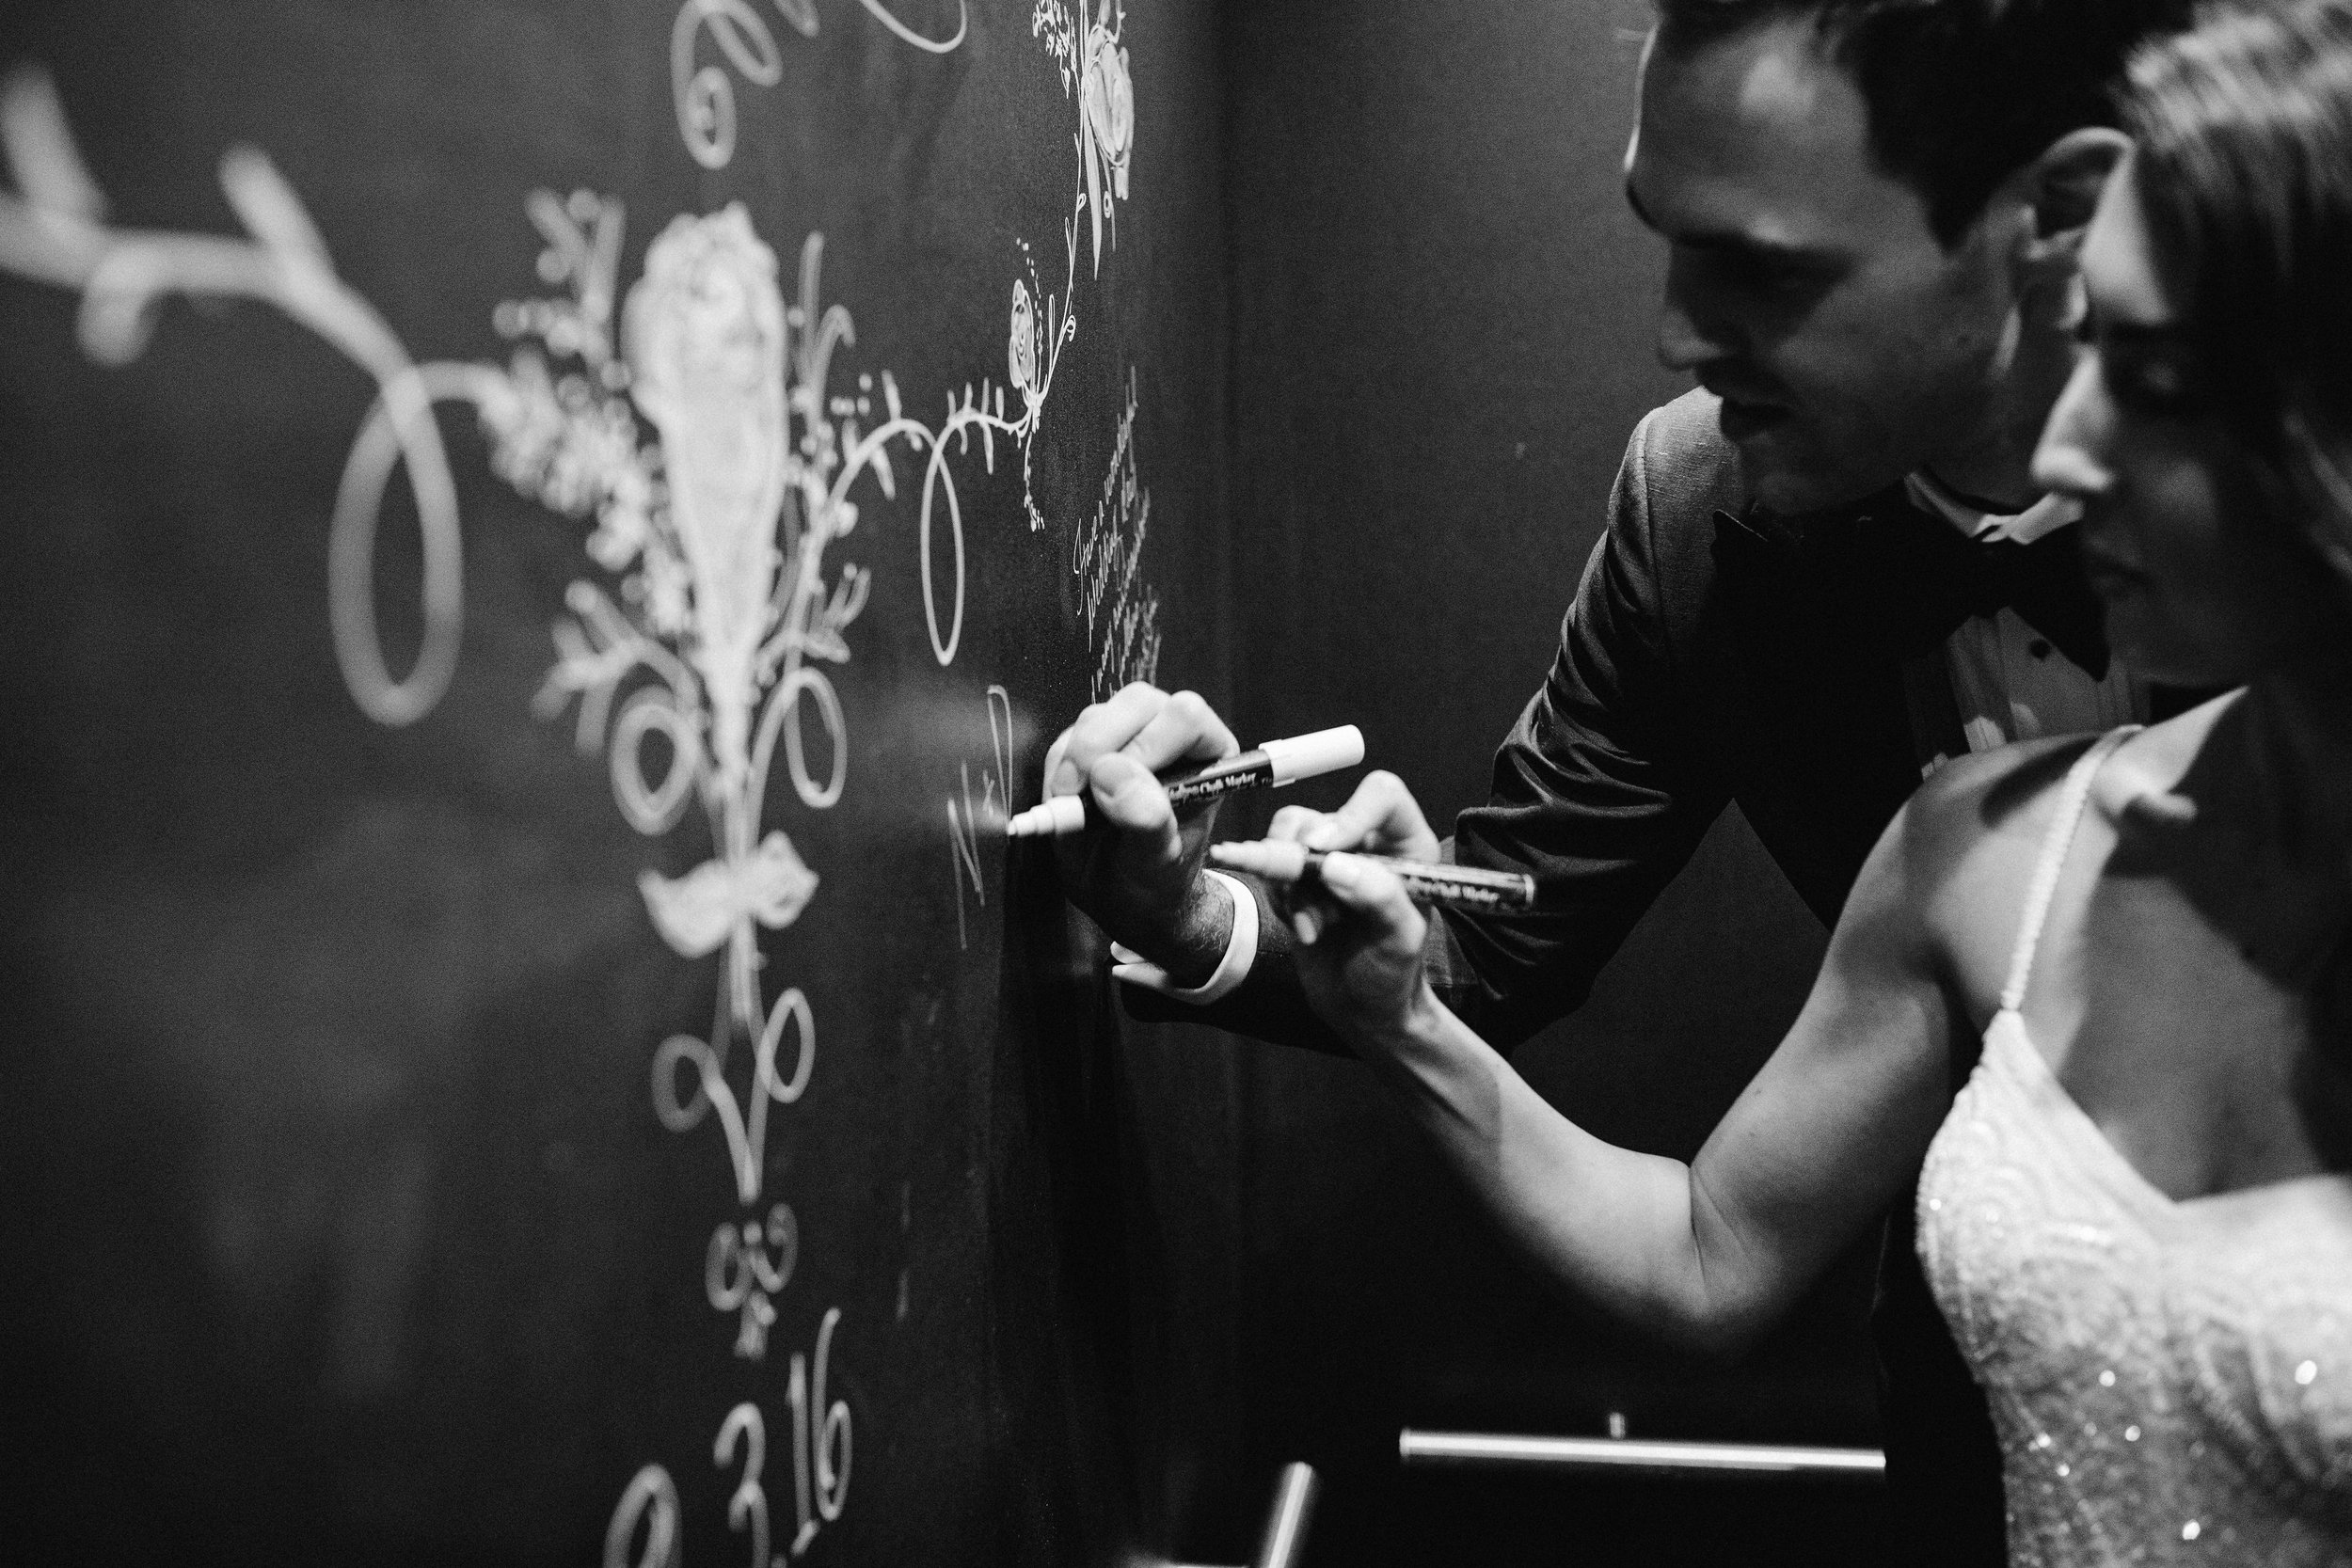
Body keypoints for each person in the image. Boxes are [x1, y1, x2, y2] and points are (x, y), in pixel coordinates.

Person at [1044, 0, 2187, 1558]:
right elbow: (1495, 939)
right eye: (1664, 238)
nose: (1675, 333)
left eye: (1765, 269)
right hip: (1990, 1460)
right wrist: (1196, 914)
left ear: (2054, 218)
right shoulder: (1696, 507)